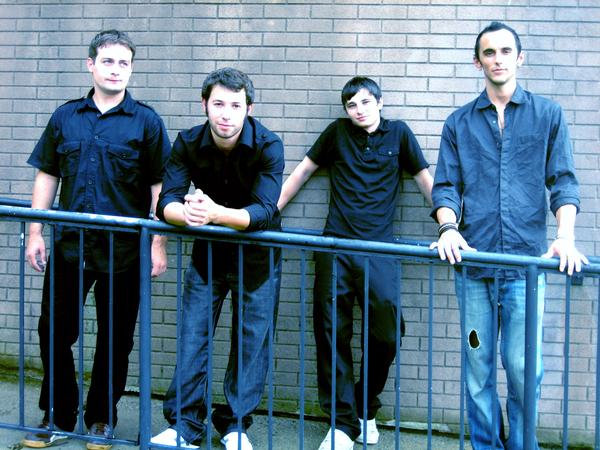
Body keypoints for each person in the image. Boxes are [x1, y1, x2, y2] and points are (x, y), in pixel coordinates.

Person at [431, 21, 588, 449]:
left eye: (505, 51)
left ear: (520, 58)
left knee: (523, 369)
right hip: (474, 270)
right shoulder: (458, 123)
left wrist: (566, 236)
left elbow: (564, 181)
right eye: (489, 52)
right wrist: (448, 227)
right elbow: (446, 186)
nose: (497, 59)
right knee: (477, 366)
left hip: (525, 272)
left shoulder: (548, 115)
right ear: (477, 61)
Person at [23, 30, 170, 450]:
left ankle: (101, 420)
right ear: (91, 65)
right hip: (70, 247)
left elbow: (161, 186)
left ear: (132, 69)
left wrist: (157, 244)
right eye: (108, 61)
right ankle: (57, 415)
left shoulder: (146, 121)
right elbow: (48, 173)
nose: (116, 70)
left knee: (115, 340)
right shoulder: (65, 116)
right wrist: (35, 232)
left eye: (124, 63)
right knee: (53, 332)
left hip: (124, 252)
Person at [278, 76, 433, 450]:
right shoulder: (337, 133)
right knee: (332, 334)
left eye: (365, 102)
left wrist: (450, 225)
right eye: (351, 105)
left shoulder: (399, 135)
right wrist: (270, 211)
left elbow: (426, 181)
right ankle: (342, 424)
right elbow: (302, 172)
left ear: (380, 102)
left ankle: (365, 407)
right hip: (336, 248)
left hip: (380, 250)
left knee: (387, 334)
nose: (359, 110)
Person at [150, 68, 283, 450]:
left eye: (236, 105)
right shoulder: (188, 141)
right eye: (219, 104)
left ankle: (235, 426)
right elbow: (166, 202)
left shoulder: (269, 145)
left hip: (257, 262)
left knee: (250, 346)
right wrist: (187, 213)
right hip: (207, 258)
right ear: (204, 104)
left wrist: (214, 213)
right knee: (193, 339)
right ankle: (185, 426)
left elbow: (264, 211)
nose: (226, 114)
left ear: (249, 109)